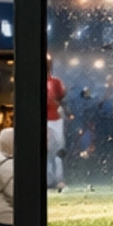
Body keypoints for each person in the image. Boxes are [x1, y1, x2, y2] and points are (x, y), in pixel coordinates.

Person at [46, 58, 66, 193]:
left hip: (56, 119)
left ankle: (59, 180)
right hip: (44, 120)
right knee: (46, 151)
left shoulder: (56, 82)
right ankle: (48, 181)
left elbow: (61, 96)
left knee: (58, 150)